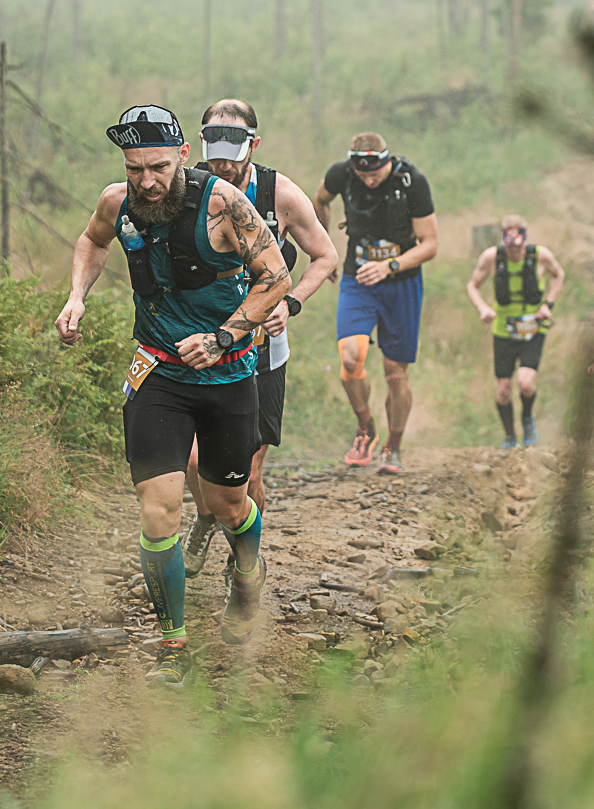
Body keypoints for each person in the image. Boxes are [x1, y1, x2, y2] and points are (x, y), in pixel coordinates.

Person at [56, 105, 290, 688]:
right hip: (156, 370)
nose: (147, 181)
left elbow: (276, 278)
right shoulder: (118, 201)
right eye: (135, 169)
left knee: (227, 504)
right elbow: (91, 240)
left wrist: (224, 336)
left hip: (228, 372)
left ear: (183, 154)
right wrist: (76, 297)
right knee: (158, 510)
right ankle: (173, 645)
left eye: (157, 167)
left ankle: (249, 572)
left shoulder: (223, 205)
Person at [181, 98, 339, 578]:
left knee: (248, 471)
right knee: (191, 460)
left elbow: (326, 256)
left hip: (262, 352)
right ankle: (207, 514)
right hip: (199, 343)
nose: (224, 158)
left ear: (254, 143)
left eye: (235, 144)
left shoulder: (280, 194)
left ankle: (242, 567)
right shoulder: (187, 190)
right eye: (213, 142)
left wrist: (290, 305)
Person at [313, 132, 439, 476]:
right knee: (350, 356)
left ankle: (393, 448)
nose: (369, 180)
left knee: (395, 374)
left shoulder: (412, 182)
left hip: (401, 282)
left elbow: (430, 244)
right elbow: (319, 200)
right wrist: (324, 247)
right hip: (358, 281)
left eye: (376, 174)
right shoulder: (342, 174)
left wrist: (390, 265)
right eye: (363, 174)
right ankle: (365, 428)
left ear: (387, 161)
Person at [465, 215, 566, 449]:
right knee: (503, 391)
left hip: (532, 328)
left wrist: (547, 305)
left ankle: (528, 420)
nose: (514, 251)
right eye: (510, 247)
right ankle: (510, 435)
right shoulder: (492, 258)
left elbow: (558, 275)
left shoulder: (540, 255)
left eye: (518, 247)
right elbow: (472, 285)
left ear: (525, 241)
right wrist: (483, 308)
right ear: (503, 242)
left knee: (526, 382)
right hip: (503, 330)